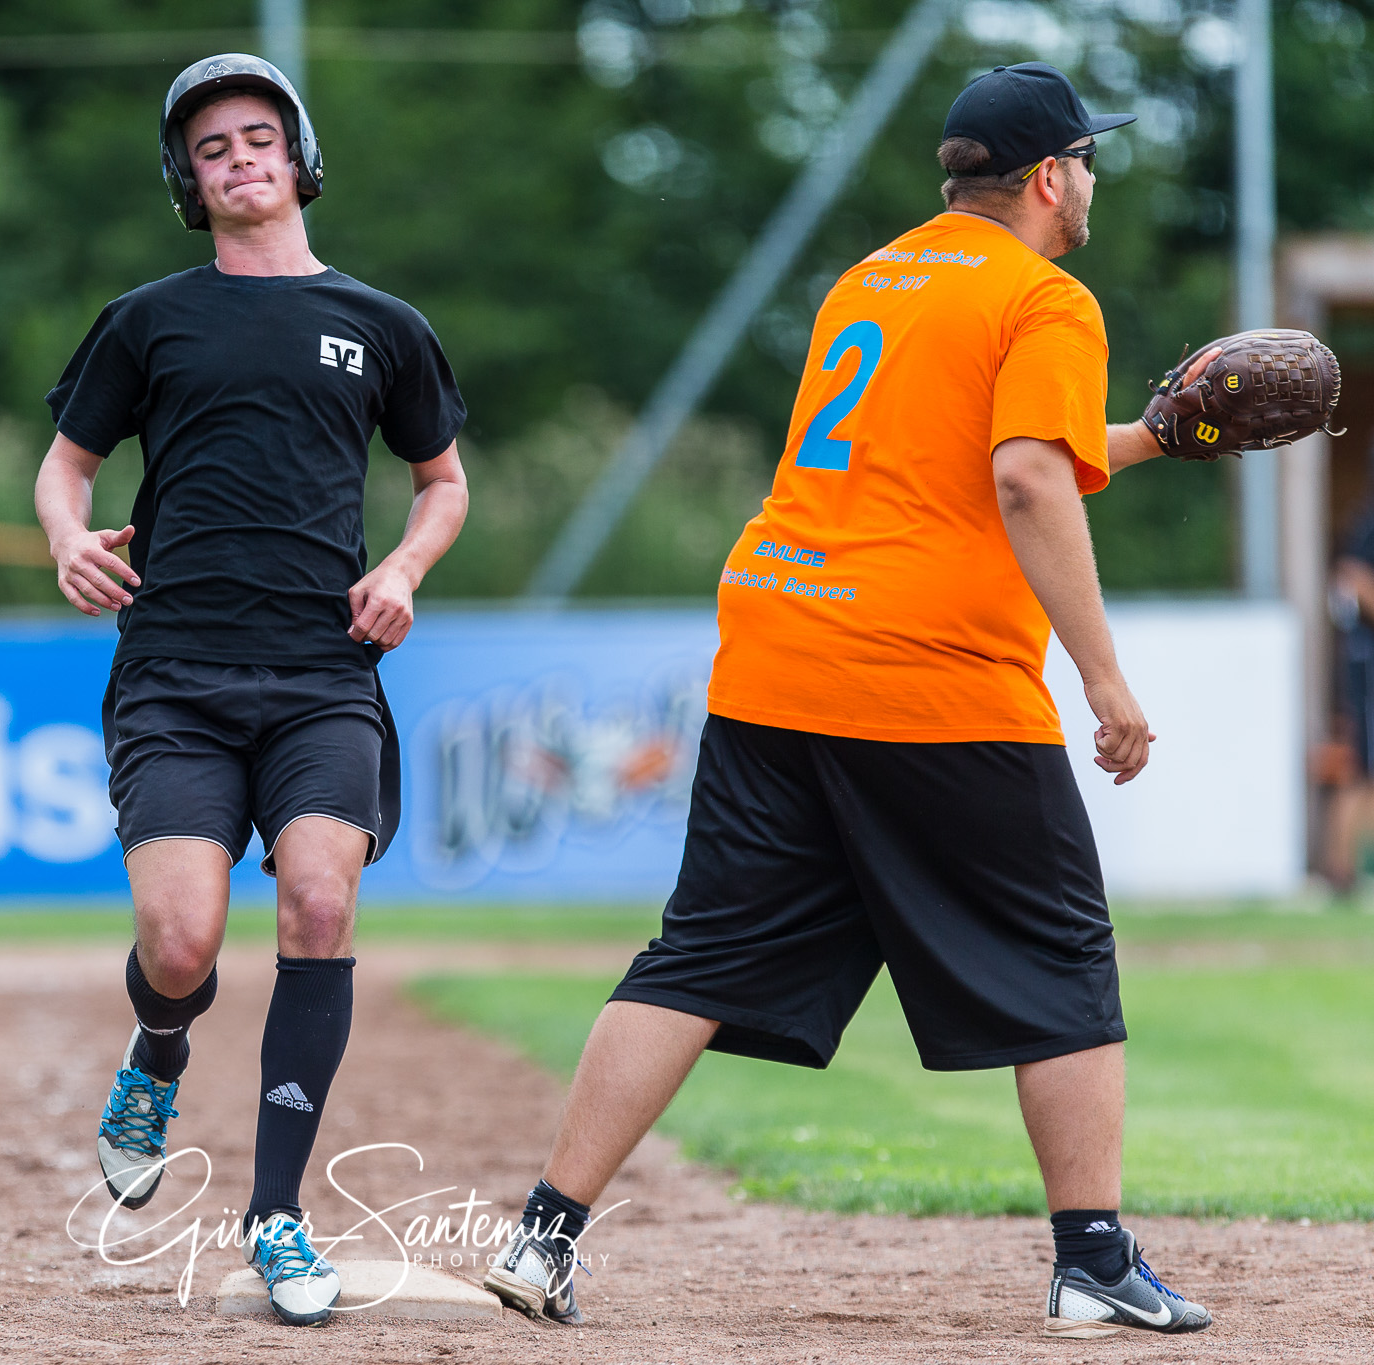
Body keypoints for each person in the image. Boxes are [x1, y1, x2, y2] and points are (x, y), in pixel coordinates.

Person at [483, 63, 1212, 1340]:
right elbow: (1026, 483)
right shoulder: (1045, 294)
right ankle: (1090, 1259)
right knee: (1060, 957)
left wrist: (1151, 430)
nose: (1090, 179)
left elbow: (955, 465)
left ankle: (543, 1234)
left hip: (775, 646)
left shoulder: (871, 279)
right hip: (922, 673)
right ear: (1047, 179)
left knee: (695, 957)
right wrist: (1100, 676)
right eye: (1086, 159)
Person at [34, 54, 469, 1328]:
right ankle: (156, 1054)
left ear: (298, 158)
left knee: (319, 903)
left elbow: (440, 481)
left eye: (256, 138)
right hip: (172, 675)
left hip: (322, 675)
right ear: (188, 179)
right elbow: (66, 466)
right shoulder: (149, 319)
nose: (237, 158)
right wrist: (67, 536)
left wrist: (402, 567)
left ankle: (275, 1216)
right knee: (179, 946)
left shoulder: (382, 326)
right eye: (211, 146)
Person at [1322, 504, 1374, 895]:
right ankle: (1339, 873)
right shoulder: (1368, 523)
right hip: (1366, 661)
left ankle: (1345, 871)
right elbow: (1353, 579)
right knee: (1360, 765)